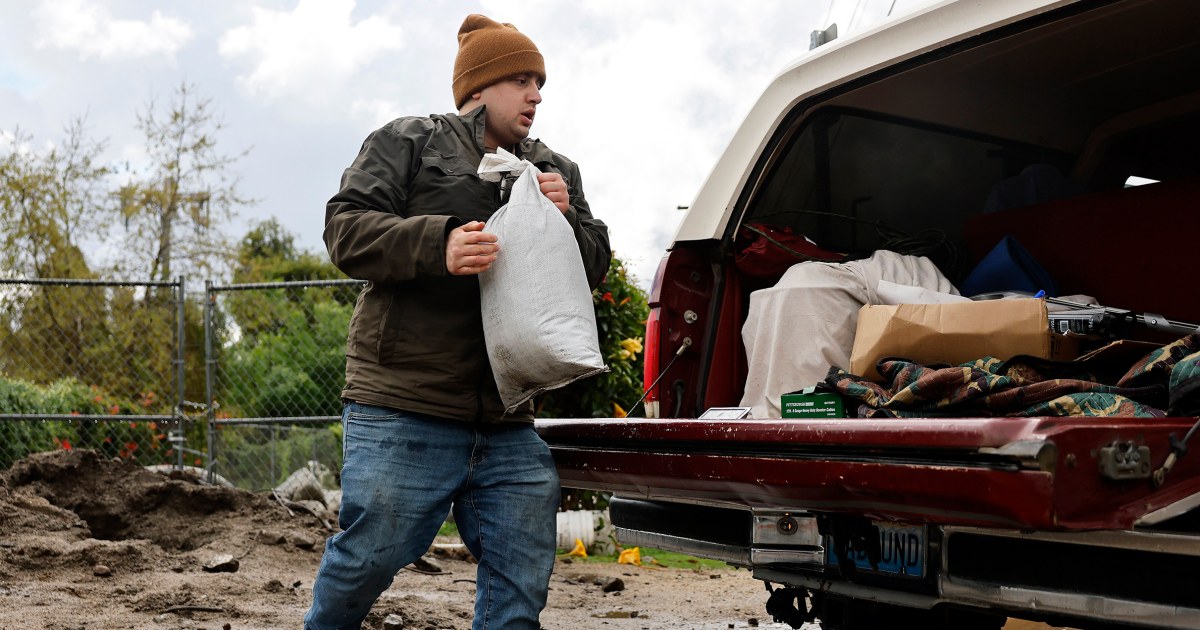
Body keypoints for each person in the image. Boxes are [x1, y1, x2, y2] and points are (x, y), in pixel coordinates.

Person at [304, 14, 611, 630]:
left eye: (540, 81)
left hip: (506, 418)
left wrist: (567, 218)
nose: (536, 95)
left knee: (521, 576)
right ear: (479, 88)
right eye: (521, 79)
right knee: (371, 555)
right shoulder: (409, 142)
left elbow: (593, 265)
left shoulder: (554, 170)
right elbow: (346, 229)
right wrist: (436, 244)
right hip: (404, 404)